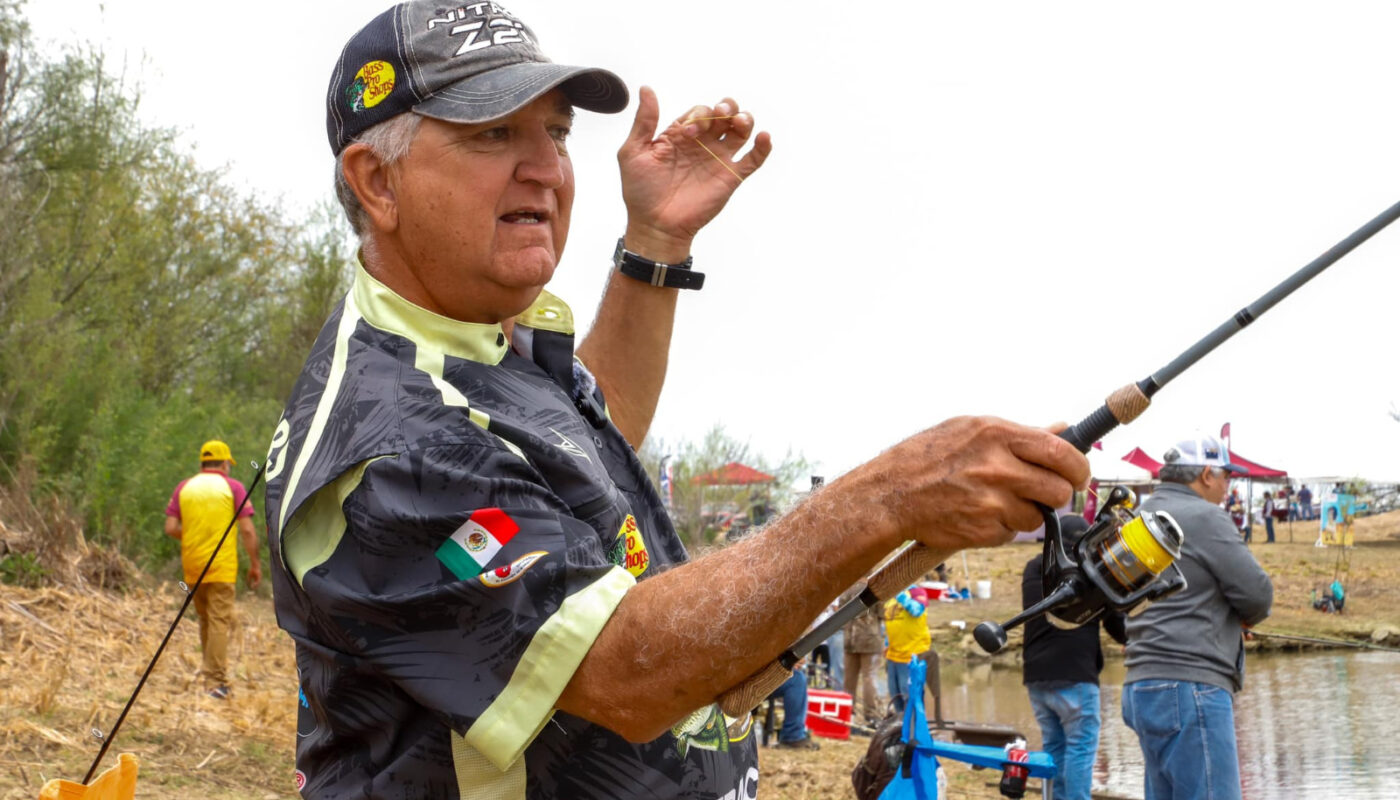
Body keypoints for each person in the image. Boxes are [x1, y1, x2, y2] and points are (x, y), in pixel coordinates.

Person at [263, 3, 1091, 796]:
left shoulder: (481, 336)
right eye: (493, 133)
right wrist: (890, 496)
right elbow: (621, 671)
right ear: (377, 181)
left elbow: (589, 444)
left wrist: (656, 244)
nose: (548, 168)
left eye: (557, 132)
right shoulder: (387, 443)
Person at [1121, 435, 1273, 800]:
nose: (1227, 485)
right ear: (1207, 474)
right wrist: (1240, 620)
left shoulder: (1138, 516)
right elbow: (1258, 596)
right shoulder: (1207, 517)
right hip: (1191, 687)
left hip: (1141, 685)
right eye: (1226, 476)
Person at [1022, 515, 1126, 800]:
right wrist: (1130, 639)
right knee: (1080, 748)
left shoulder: (1033, 568)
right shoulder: (1089, 572)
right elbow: (1115, 623)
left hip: (1036, 674)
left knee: (1054, 747)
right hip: (1075, 673)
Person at [163, 440, 262, 699]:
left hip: (193, 565)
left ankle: (210, 676)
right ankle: (216, 683)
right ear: (225, 464)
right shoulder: (233, 487)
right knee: (219, 621)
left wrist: (193, 537)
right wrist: (255, 564)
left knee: (206, 619)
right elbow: (248, 530)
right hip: (221, 566)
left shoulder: (184, 487)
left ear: (202, 463)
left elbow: (171, 528)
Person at [882, 586, 932, 712]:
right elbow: (891, 622)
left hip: (912, 656)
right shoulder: (890, 598)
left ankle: (915, 723)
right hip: (893, 655)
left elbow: (917, 611)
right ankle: (901, 722)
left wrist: (900, 594)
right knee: (895, 695)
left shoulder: (917, 592)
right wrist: (887, 643)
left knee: (910, 696)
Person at [843, 589, 888, 726]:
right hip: (870, 639)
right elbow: (883, 614)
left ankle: (847, 713)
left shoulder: (847, 589)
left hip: (850, 638)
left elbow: (840, 612)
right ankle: (871, 715)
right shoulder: (875, 588)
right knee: (869, 677)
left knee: (849, 679)